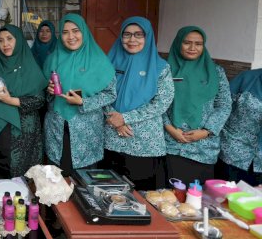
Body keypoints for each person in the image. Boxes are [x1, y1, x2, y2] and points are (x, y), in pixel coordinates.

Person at [103, 17, 173, 190]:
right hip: (110, 138)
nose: (132, 39)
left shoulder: (161, 68)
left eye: (138, 35)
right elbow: (99, 93)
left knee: (142, 197)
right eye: (126, 34)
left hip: (143, 142)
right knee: (108, 192)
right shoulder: (107, 64)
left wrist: (124, 118)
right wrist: (115, 120)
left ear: (148, 37)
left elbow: (162, 102)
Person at [43, 13, 116, 177]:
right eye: (65, 32)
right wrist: (48, 91)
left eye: (76, 31)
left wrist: (83, 101)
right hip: (56, 129)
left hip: (87, 131)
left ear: (84, 32)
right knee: (56, 181)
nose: (71, 37)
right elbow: (44, 95)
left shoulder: (98, 60)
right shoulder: (52, 59)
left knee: (84, 182)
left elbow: (110, 94)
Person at [0, 24, 46, 179]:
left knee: (20, 178)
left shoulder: (30, 67)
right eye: (1, 40)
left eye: (10, 39)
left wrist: (10, 100)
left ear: (18, 40)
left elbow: (39, 100)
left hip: (22, 132)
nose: (5, 44)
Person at [164, 26, 231, 184]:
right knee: (166, 199)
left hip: (203, 148)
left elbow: (224, 105)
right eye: (187, 42)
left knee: (195, 200)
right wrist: (170, 128)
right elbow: (158, 102)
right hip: (170, 144)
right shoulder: (165, 70)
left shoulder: (216, 72)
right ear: (178, 43)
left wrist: (206, 132)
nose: (193, 48)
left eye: (198, 43)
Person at [218, 69, 262, 185]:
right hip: (233, 151)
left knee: (255, 202)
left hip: (260, 163)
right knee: (222, 198)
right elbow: (221, 105)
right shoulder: (247, 78)